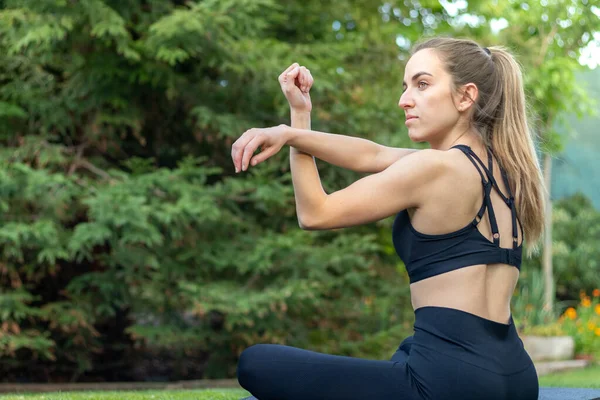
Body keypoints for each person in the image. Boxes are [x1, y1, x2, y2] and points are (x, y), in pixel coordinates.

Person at [231, 36, 545, 400]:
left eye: (422, 84)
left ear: (465, 96)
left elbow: (315, 213)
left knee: (255, 362)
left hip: (450, 382)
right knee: (409, 348)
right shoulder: (509, 172)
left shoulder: (433, 168)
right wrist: (296, 126)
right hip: (517, 378)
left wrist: (291, 136)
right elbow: (372, 154)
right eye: (405, 86)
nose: (404, 99)